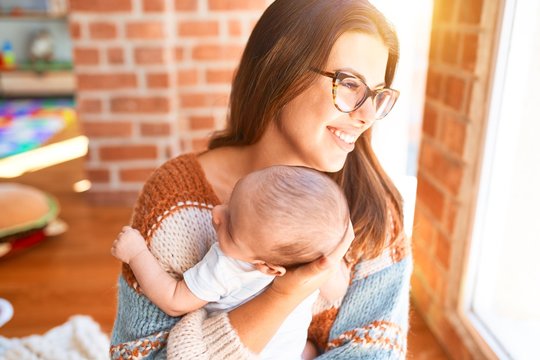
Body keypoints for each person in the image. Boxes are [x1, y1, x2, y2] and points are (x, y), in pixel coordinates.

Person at [110, 0, 412, 359]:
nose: (366, 116)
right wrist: (283, 296)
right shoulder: (176, 204)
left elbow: (376, 353)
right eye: (349, 84)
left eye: (376, 95)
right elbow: (136, 356)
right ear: (280, 70)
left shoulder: (373, 212)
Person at [111, 166, 353, 360]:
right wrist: (331, 255)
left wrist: (137, 254)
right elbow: (338, 290)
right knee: (309, 349)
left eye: (231, 228)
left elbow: (175, 300)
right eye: (231, 201)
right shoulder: (310, 269)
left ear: (268, 267)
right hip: (288, 353)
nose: (216, 212)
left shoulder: (227, 266)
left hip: (236, 352)